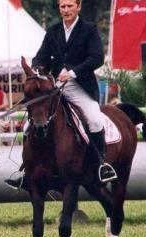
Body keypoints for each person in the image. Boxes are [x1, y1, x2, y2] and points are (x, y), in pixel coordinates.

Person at [6, 0, 116, 189]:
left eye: (69, 6)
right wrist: (37, 68)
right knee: (27, 125)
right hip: (54, 86)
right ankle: (27, 171)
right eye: (62, 7)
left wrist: (72, 72)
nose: (65, 10)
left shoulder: (89, 29)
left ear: (78, 6)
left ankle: (101, 165)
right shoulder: (53, 31)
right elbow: (41, 55)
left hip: (79, 85)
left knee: (95, 120)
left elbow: (97, 58)